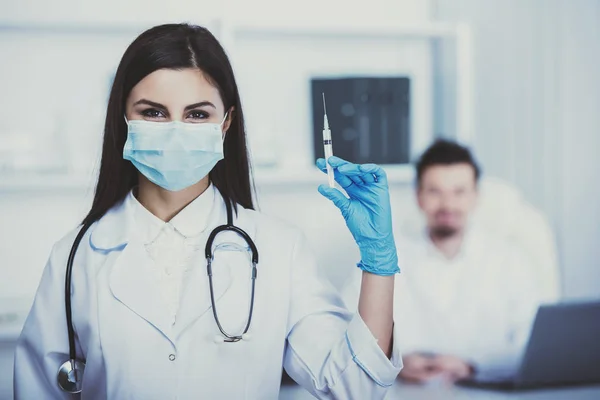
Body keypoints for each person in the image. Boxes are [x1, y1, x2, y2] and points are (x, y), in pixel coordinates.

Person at [13, 24, 403, 399]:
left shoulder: (279, 249)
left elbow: (354, 388)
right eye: (154, 113)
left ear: (226, 123)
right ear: (123, 119)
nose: (176, 130)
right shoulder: (75, 256)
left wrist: (379, 263)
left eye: (197, 114)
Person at [344, 139, 548, 385]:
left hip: (487, 391)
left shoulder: (511, 260)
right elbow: (347, 331)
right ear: (418, 196)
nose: (448, 205)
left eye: (459, 192)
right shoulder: (383, 259)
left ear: (475, 197)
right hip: (404, 392)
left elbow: (536, 345)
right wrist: (392, 360)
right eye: (435, 192)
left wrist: (472, 365)